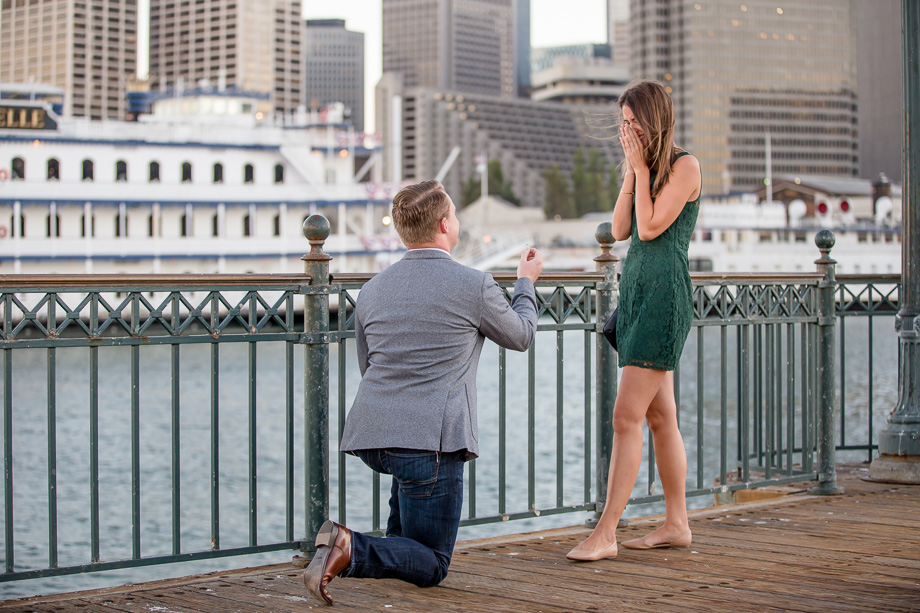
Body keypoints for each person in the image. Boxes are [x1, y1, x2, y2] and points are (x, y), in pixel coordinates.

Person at [303, 179, 544, 604]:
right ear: (445, 224)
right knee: (432, 563)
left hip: (374, 435)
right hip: (430, 442)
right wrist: (526, 282)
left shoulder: (372, 289)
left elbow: (368, 365)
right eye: (455, 214)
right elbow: (521, 335)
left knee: (404, 545)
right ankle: (348, 546)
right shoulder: (474, 284)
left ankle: (354, 558)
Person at [567, 80, 701, 561]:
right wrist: (632, 172)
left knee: (626, 417)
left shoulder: (685, 166)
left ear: (653, 120)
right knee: (661, 418)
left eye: (632, 122)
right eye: (623, 123)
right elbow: (621, 228)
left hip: (664, 299)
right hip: (639, 296)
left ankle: (605, 533)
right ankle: (677, 524)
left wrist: (642, 170)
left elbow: (650, 226)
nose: (626, 131)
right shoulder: (643, 168)